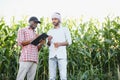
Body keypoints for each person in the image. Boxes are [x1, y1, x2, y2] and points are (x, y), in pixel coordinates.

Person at [47, 12, 72, 80]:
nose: (53, 21)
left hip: (61, 55)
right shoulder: (49, 31)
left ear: (59, 20)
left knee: (63, 77)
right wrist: (49, 40)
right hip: (52, 55)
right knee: (52, 77)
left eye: (55, 19)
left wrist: (60, 44)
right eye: (52, 19)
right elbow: (48, 44)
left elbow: (69, 42)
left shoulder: (65, 29)